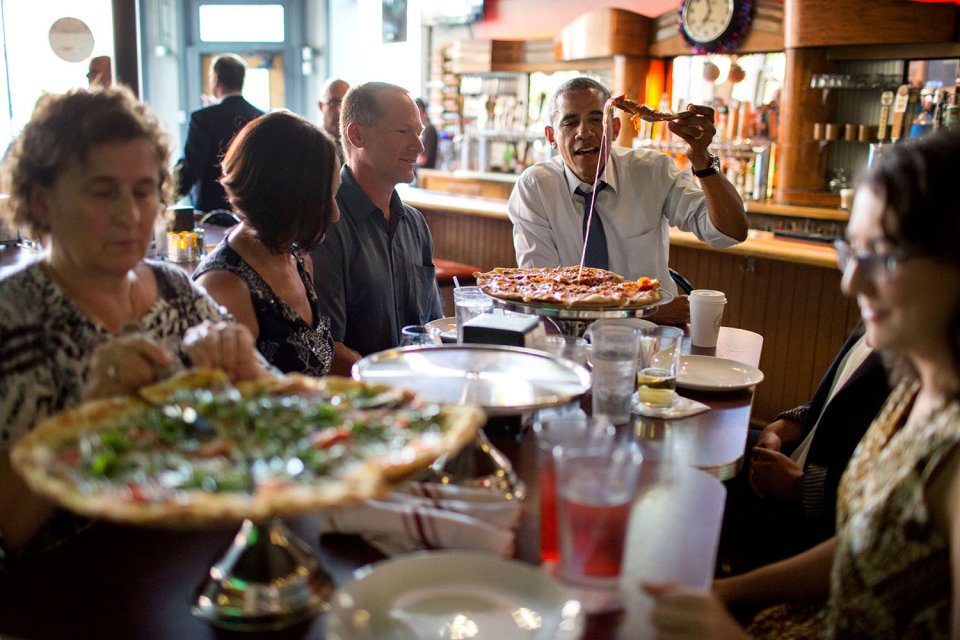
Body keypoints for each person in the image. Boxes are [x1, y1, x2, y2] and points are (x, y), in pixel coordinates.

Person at [645, 129, 960, 639]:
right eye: (851, 252)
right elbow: (862, 545)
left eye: (883, 255)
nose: (851, 283)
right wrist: (728, 592)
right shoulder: (918, 390)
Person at [0, 86, 273, 566]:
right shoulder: (12, 317)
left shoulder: (174, 288)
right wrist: (90, 418)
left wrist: (246, 370)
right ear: (41, 202)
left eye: (144, 191)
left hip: (189, 563)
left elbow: (274, 418)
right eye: (102, 193)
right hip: (61, 596)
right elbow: (10, 531)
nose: (130, 216)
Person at [507, 77, 748, 300]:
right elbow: (542, 291)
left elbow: (730, 233)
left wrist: (701, 158)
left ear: (614, 129)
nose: (584, 132)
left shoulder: (653, 170)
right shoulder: (535, 188)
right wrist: (646, 312)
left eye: (595, 119)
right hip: (572, 333)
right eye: (570, 123)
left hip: (650, 338)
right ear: (551, 137)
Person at [194, 110, 359, 376]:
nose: (334, 213)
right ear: (282, 198)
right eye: (322, 198)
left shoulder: (298, 259)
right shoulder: (224, 287)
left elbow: (320, 362)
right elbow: (231, 407)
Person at [718, 321, 891, 574]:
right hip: (799, 458)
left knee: (705, 482)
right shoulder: (872, 321)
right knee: (717, 443)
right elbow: (836, 401)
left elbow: (879, 490)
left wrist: (798, 485)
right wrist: (780, 427)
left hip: (812, 516)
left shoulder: (916, 362)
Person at [310, 81, 443, 357]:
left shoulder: (415, 224)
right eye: (402, 131)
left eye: (418, 133)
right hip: (360, 395)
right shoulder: (324, 224)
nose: (418, 146)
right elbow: (328, 351)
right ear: (357, 135)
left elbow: (434, 328)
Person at [176, 54, 264, 213]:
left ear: (216, 79)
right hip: (249, 210)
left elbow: (192, 166)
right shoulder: (261, 117)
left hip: (211, 211)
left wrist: (166, 196)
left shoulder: (202, 118)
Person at [318, 77, 349, 162]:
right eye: (334, 102)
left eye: (345, 103)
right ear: (321, 106)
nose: (340, 110)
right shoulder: (311, 144)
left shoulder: (360, 147)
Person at [415, 97, 438, 170]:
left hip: (423, 176)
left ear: (419, 110)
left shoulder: (428, 129)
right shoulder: (423, 128)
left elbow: (422, 159)